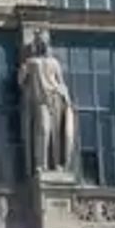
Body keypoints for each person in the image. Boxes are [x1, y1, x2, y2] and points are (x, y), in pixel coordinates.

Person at [19, 30, 76, 175]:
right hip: (41, 101)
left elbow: (61, 82)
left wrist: (67, 99)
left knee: (56, 134)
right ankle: (41, 164)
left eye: (44, 42)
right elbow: (21, 82)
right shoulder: (31, 63)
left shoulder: (54, 62)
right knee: (43, 130)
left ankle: (56, 164)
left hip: (56, 98)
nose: (43, 45)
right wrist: (22, 71)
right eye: (40, 42)